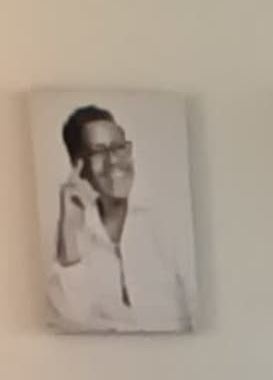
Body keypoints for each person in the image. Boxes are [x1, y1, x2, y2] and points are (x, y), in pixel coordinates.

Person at [45, 103, 196, 333]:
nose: (113, 160)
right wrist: (69, 231)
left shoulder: (167, 219)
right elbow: (70, 323)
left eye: (119, 147)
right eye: (98, 151)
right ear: (79, 166)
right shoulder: (71, 236)